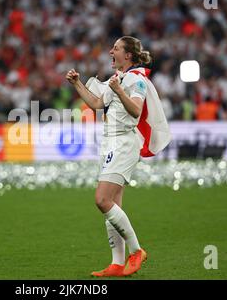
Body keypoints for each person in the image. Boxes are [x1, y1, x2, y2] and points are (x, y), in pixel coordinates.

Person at [66, 36, 153, 277]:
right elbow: (96, 103)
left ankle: (136, 251)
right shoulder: (117, 79)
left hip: (124, 142)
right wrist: (77, 83)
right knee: (113, 204)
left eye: (116, 48)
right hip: (110, 142)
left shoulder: (137, 80)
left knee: (102, 200)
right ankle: (116, 263)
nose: (110, 51)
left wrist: (118, 90)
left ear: (128, 56)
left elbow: (135, 110)